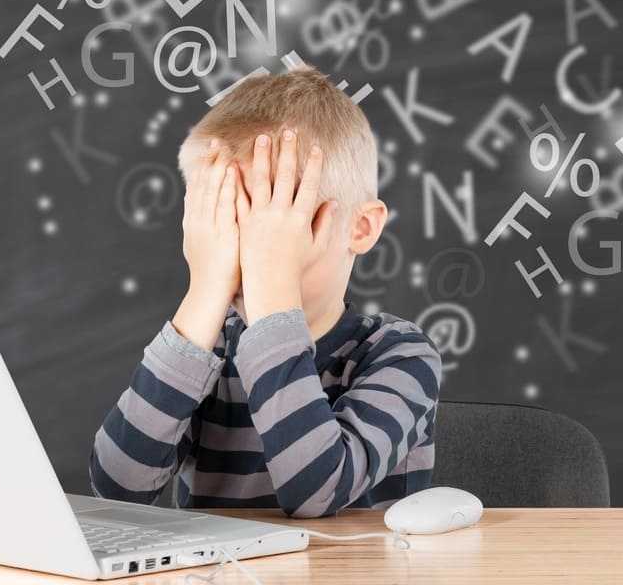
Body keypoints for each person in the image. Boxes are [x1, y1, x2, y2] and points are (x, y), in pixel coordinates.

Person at [89, 66, 441, 517]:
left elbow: (317, 491)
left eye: (276, 226)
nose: (247, 252)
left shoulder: (400, 354)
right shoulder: (207, 349)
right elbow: (117, 490)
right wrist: (204, 289)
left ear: (361, 227)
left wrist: (272, 287)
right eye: (227, 223)